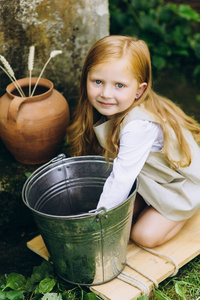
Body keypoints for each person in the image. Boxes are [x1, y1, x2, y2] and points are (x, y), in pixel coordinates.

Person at [68, 35, 200, 248]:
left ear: (139, 90)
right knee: (122, 219)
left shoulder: (138, 125)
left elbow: (121, 177)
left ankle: (186, 210)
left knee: (143, 235)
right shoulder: (111, 109)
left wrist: (96, 224)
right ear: (86, 78)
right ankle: (151, 206)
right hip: (152, 179)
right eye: (98, 82)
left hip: (179, 184)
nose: (106, 94)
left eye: (119, 85)